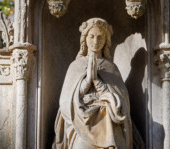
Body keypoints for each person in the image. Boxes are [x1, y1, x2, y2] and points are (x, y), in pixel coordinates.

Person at [53, 18, 132, 149]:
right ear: (85, 39)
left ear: (106, 40)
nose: (96, 41)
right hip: (81, 118)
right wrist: (87, 80)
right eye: (92, 36)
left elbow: (123, 102)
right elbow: (65, 102)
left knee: (118, 141)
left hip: (107, 118)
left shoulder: (111, 67)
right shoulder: (76, 66)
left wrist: (97, 81)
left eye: (100, 37)